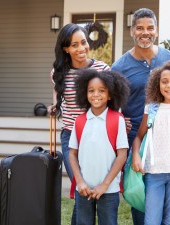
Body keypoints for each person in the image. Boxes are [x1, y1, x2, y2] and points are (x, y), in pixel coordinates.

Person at [111, 8, 170, 225]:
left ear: (156, 31)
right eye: (140, 28)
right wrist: (119, 119)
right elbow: (111, 104)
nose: (145, 33)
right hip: (136, 138)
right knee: (142, 199)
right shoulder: (119, 67)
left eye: (150, 28)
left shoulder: (167, 58)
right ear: (131, 31)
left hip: (165, 137)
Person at [48, 23, 110, 224]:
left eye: (83, 42)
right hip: (71, 138)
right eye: (74, 45)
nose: (81, 49)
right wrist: (53, 107)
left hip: (97, 137)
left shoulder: (101, 69)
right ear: (66, 48)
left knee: (88, 188)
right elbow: (59, 101)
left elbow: (111, 103)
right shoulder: (59, 72)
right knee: (81, 186)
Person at [68, 69, 129, 225]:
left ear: (110, 95)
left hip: (108, 190)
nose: (96, 94)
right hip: (84, 189)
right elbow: (72, 154)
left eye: (101, 91)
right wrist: (80, 182)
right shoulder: (80, 121)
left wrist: (105, 184)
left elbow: (122, 155)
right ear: (85, 93)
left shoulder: (117, 120)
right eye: (91, 90)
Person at [131, 61, 170, 225]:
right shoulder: (152, 108)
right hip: (154, 172)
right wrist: (135, 156)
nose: (168, 85)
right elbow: (139, 136)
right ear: (157, 83)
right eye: (164, 81)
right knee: (151, 221)